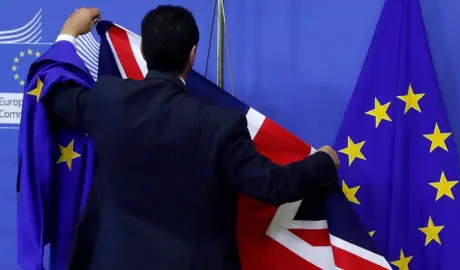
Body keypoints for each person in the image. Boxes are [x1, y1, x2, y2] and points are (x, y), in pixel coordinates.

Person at [48, 6, 340, 270]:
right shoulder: (220, 124)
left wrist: (68, 34)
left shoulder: (106, 100)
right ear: (192, 53)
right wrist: (323, 162)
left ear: (145, 50)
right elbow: (271, 185)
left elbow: (54, 93)